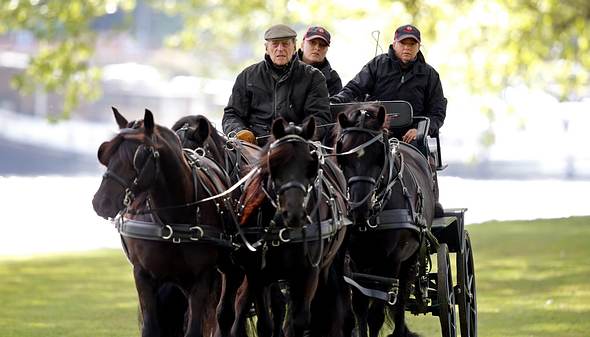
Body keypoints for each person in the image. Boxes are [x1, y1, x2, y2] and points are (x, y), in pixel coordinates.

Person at [331, 24, 447, 216]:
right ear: (394, 43)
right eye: (403, 43)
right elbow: (354, 88)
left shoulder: (429, 75)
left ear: (419, 46)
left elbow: (437, 112)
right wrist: (336, 101)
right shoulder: (377, 65)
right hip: (375, 132)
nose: (407, 48)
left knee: (424, 156)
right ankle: (347, 198)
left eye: (412, 44)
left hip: (411, 135)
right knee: (353, 152)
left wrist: (420, 130)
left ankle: (428, 201)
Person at [223, 24, 331, 146]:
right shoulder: (247, 75)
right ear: (266, 48)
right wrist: (240, 132)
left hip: (296, 146)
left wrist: (296, 134)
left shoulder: (314, 77)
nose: (280, 48)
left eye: (285, 44)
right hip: (252, 147)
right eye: (275, 44)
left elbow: (319, 118)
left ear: (294, 47)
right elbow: (232, 114)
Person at [298, 26, 342, 96]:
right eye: (312, 42)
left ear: (327, 50)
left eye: (322, 45)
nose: (317, 48)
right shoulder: (286, 68)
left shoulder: (332, 78)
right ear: (302, 45)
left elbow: (336, 105)